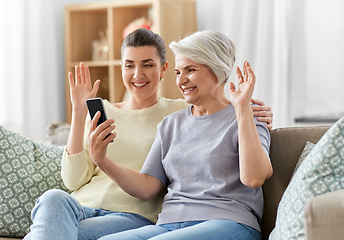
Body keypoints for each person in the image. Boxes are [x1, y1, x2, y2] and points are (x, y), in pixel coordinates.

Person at [23, 28, 273, 240]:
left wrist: (241, 109)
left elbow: (254, 178)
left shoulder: (248, 116)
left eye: (190, 70)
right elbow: (146, 187)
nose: (182, 80)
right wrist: (101, 158)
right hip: (168, 223)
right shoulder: (171, 123)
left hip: (228, 220)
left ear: (218, 71)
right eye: (178, 72)